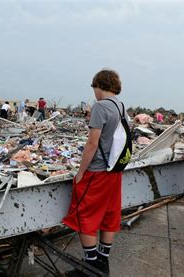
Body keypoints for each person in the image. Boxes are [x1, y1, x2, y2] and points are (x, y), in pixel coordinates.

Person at [62, 69, 125, 274]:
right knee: (109, 214)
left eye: (94, 88)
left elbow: (92, 142)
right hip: (114, 170)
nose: (94, 92)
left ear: (100, 85)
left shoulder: (100, 106)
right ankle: (102, 263)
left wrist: (81, 172)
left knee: (84, 215)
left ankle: (90, 266)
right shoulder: (121, 105)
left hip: (97, 171)